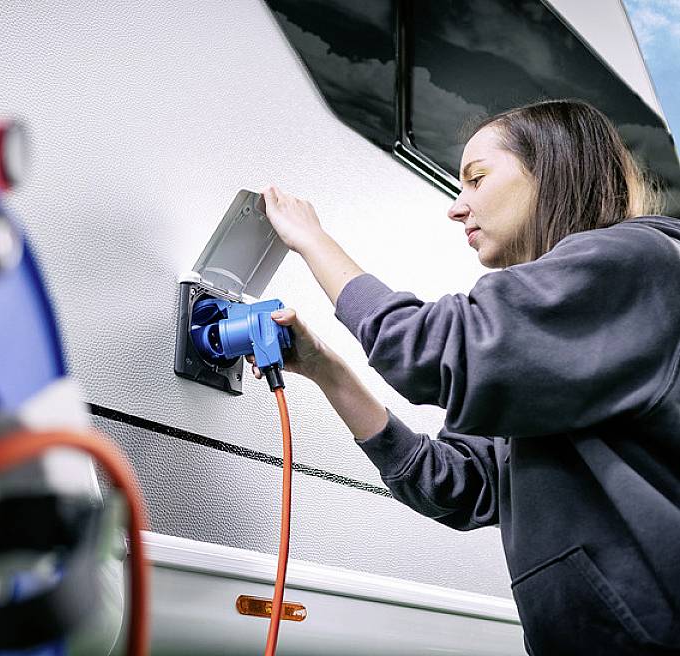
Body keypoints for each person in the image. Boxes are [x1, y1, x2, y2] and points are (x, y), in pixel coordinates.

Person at [253, 99, 680, 655]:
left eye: (476, 180)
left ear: (551, 169)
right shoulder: (549, 348)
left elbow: (424, 347)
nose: (458, 208)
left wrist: (312, 240)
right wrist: (326, 372)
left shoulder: (635, 260)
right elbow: (454, 485)